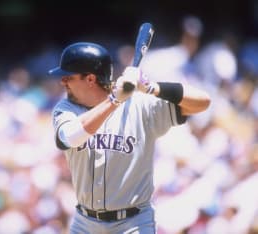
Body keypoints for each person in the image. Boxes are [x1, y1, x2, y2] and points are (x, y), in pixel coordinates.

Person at [48, 42, 210, 233]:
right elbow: (70, 138)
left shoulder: (140, 106)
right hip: (86, 223)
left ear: (90, 79)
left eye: (68, 77)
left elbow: (202, 102)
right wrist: (114, 100)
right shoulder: (66, 109)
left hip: (133, 223)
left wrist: (151, 87)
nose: (63, 82)